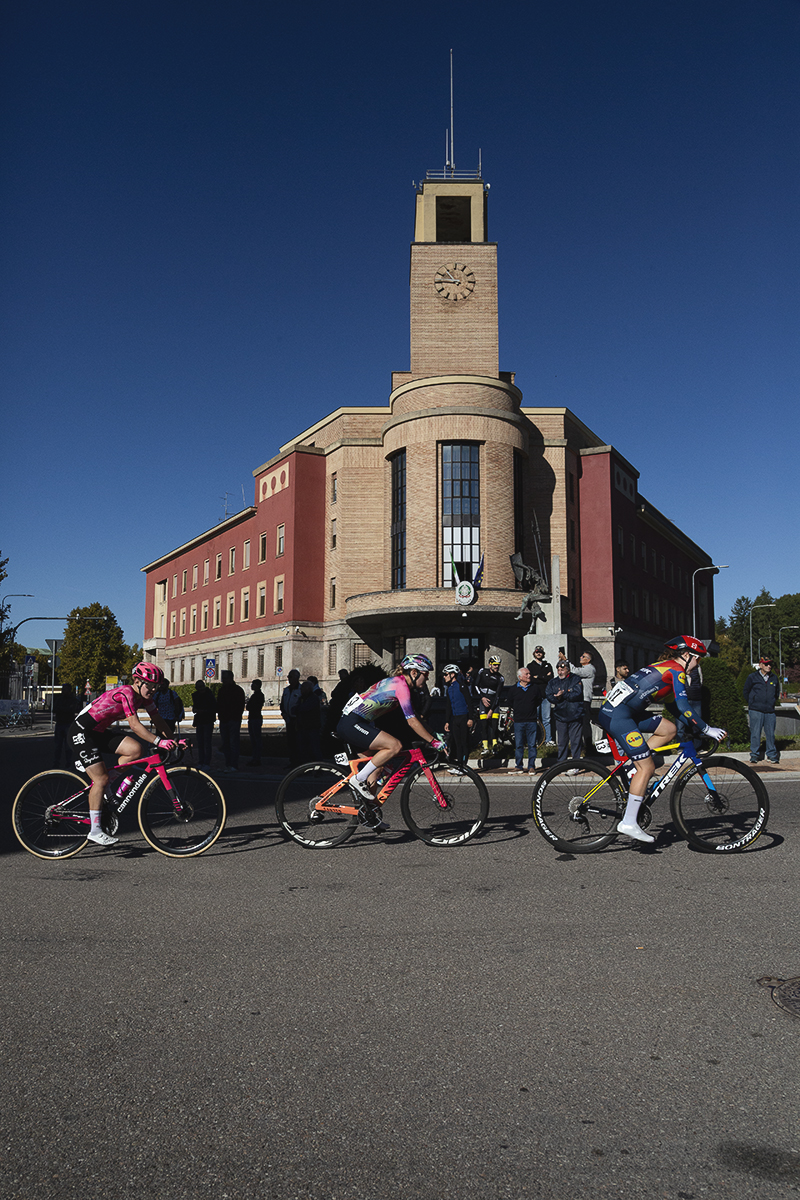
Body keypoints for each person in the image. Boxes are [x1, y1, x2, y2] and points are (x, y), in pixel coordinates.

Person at [597, 635, 727, 844]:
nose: (698, 664)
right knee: (647, 768)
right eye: (698, 659)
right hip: (618, 716)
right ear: (686, 655)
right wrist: (706, 728)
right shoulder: (676, 670)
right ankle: (629, 822)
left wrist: (695, 727)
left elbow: (674, 707)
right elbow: (684, 707)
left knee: (669, 729)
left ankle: (633, 766)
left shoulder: (667, 666)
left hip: (625, 712)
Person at [67, 662, 177, 846]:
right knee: (100, 780)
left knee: (135, 750)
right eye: (150, 685)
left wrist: (174, 740)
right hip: (81, 732)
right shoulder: (126, 692)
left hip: (98, 732)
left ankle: (107, 781)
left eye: (156, 686)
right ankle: (95, 831)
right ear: (137, 681)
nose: (153, 690)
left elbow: (157, 719)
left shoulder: (145, 698)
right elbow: (134, 725)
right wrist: (159, 742)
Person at [335, 654, 445, 830]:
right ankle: (359, 779)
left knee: (378, 765)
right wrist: (433, 742)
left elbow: (415, 716)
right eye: (426, 673)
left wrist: (434, 734)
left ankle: (368, 814)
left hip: (357, 722)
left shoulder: (399, 683)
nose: (428, 677)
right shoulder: (401, 686)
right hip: (352, 723)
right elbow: (411, 722)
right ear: (415, 672)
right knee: (395, 746)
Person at [744, 656, 781, 764]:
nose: (769, 666)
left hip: (769, 711)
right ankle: (754, 755)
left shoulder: (774, 678)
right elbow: (746, 691)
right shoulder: (752, 677)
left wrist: (772, 702)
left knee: (770, 734)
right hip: (756, 710)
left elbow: (776, 692)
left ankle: (772, 755)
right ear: (760, 665)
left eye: (770, 664)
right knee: (755, 733)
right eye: (766, 664)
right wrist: (752, 703)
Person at [545, 661, 584, 765]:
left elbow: (577, 693)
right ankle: (561, 763)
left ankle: (576, 764)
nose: (560, 672)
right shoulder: (553, 682)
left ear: (568, 670)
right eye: (558, 670)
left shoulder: (575, 679)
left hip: (575, 715)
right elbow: (548, 694)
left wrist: (564, 694)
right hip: (560, 715)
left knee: (575, 741)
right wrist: (556, 698)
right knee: (562, 742)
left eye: (562, 669)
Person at [559, 649, 596, 756]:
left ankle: (588, 747)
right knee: (578, 724)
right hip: (578, 700)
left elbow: (575, 671)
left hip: (584, 699)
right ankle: (581, 747)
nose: (580, 657)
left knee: (584, 724)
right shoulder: (585, 668)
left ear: (588, 660)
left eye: (583, 656)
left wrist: (566, 660)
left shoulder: (590, 669)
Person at [442, 664, 476, 775]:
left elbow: (469, 702)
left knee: (464, 742)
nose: (444, 676)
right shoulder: (449, 688)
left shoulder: (461, 686)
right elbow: (448, 706)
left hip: (464, 717)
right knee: (457, 743)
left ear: (452, 674)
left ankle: (463, 766)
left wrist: (471, 718)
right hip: (455, 718)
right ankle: (459, 765)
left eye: (446, 674)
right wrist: (447, 721)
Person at [511, 667, 540, 773]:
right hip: (519, 721)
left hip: (531, 720)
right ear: (520, 677)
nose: (529, 676)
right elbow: (510, 701)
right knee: (519, 744)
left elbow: (538, 700)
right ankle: (518, 765)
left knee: (532, 744)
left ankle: (531, 766)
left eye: (529, 674)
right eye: (526, 674)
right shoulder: (514, 689)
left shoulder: (535, 688)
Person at [217, 669, 246, 774]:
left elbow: (240, 705)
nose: (223, 680)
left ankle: (234, 765)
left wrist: (236, 716)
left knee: (233, 743)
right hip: (224, 719)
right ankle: (228, 764)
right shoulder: (222, 690)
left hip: (233, 719)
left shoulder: (237, 690)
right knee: (226, 743)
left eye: (225, 678)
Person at [475, 655, 505, 756]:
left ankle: (495, 747)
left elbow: (498, 695)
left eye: (498, 665)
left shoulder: (500, 678)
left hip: (494, 703)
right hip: (483, 701)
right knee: (484, 725)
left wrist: (492, 710)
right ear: (490, 664)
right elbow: (476, 685)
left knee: (494, 726)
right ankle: (485, 747)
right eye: (495, 665)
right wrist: (482, 698)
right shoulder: (482, 672)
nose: (497, 667)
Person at [526, 645, 554, 742]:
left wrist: (538, 677)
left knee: (547, 719)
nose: (539, 653)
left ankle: (548, 739)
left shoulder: (548, 665)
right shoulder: (530, 666)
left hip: (546, 695)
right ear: (534, 653)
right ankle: (536, 739)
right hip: (535, 695)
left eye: (540, 652)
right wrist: (543, 677)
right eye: (537, 652)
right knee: (535, 719)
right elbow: (530, 679)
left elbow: (550, 679)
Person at [295, 678, 323, 762]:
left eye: (303, 688)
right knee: (304, 748)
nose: (301, 690)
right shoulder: (302, 698)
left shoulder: (313, 698)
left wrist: (298, 708)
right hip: (303, 726)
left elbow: (303, 708)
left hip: (312, 726)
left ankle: (318, 767)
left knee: (314, 748)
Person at [191, 678, 216, 767]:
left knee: (207, 742)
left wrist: (204, 711)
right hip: (200, 721)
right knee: (200, 742)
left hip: (208, 720)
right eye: (199, 687)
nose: (201, 689)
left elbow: (213, 708)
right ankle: (201, 761)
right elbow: (194, 707)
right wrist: (196, 710)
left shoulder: (209, 695)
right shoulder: (195, 695)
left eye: (202, 687)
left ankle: (206, 762)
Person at [52, 683, 78, 767]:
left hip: (68, 724)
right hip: (60, 723)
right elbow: (54, 709)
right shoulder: (59, 699)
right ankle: (56, 762)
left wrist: (62, 709)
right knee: (57, 746)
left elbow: (73, 709)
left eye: (65, 689)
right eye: (63, 689)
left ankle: (68, 762)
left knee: (68, 746)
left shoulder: (72, 700)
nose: (64, 691)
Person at [280, 669, 302, 766]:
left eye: (291, 677)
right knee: (290, 742)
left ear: (296, 678)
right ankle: (292, 761)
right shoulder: (286, 690)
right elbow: (282, 703)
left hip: (297, 720)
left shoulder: (301, 690)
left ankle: (299, 763)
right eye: (288, 677)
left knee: (298, 742)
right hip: (288, 719)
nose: (289, 679)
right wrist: (284, 713)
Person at [246, 679, 265, 765]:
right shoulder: (255, 695)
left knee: (256, 740)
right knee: (254, 739)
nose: (252, 686)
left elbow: (252, 706)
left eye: (253, 684)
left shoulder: (259, 695)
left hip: (255, 718)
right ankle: (255, 758)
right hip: (253, 718)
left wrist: (250, 706)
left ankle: (257, 758)